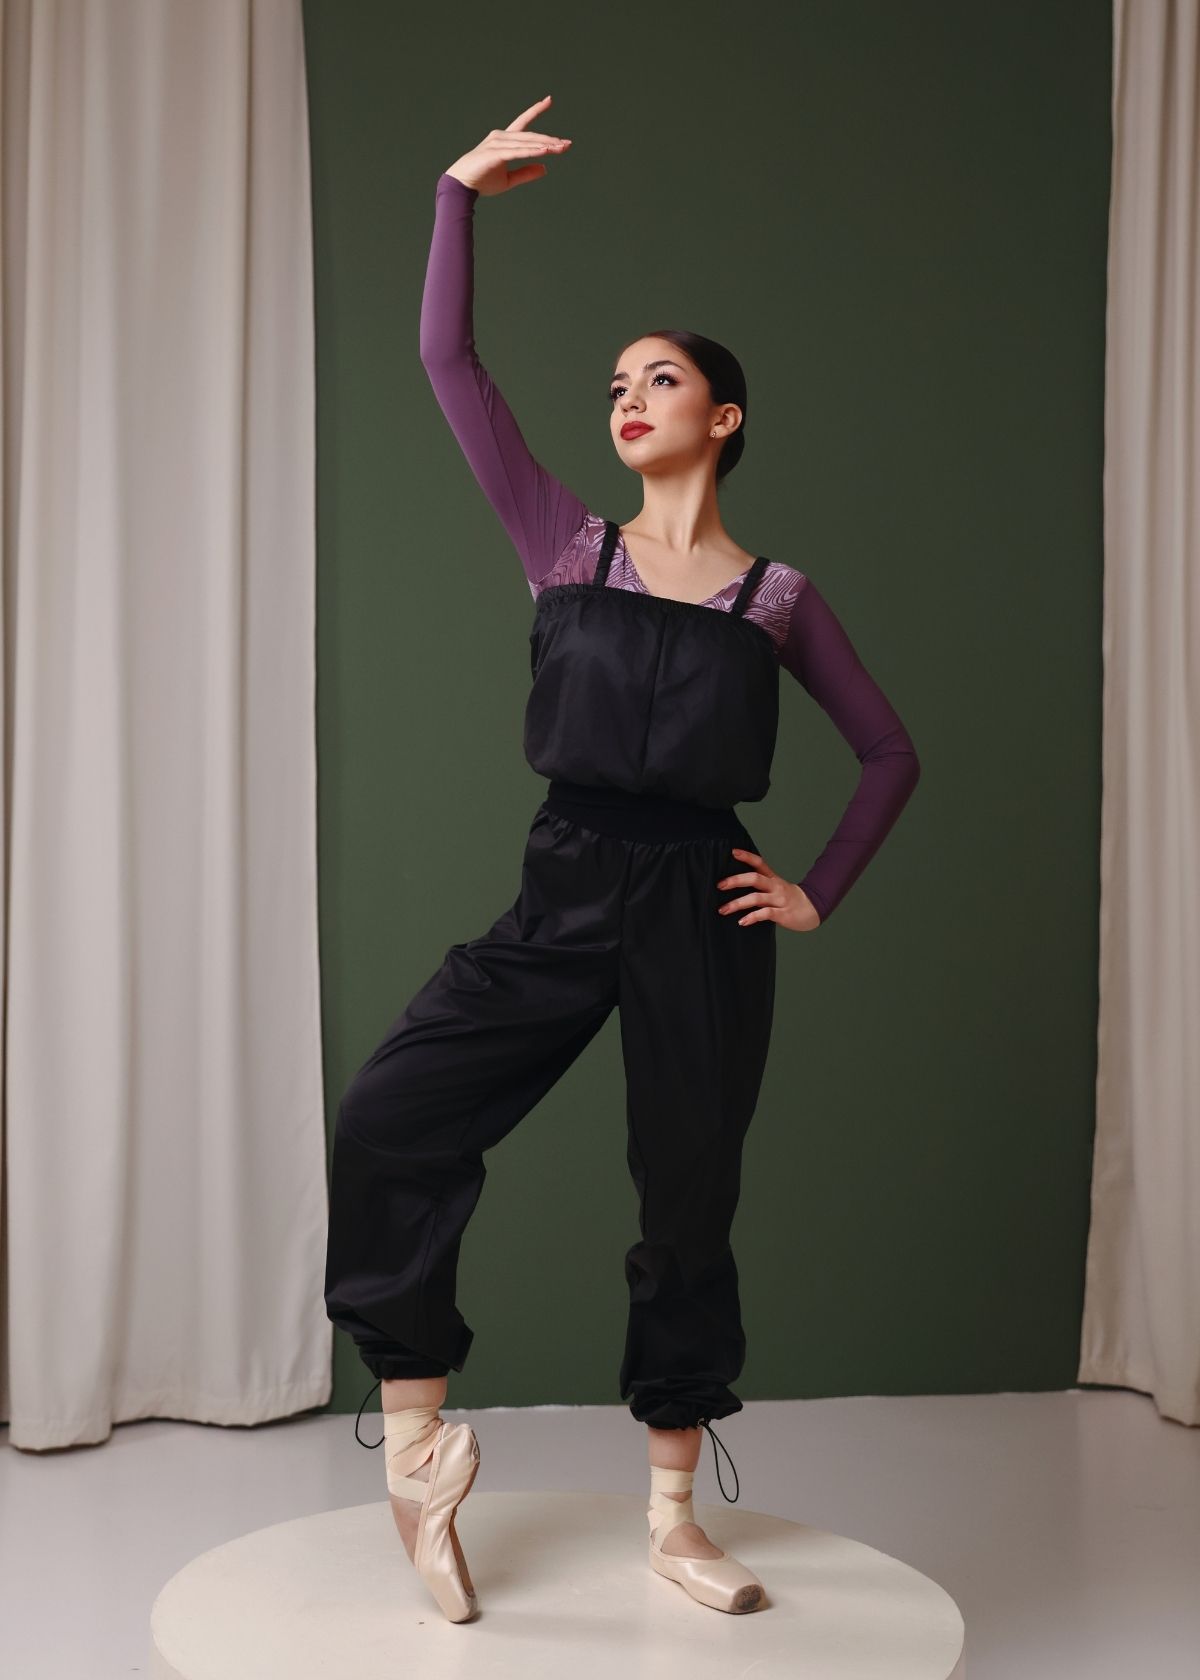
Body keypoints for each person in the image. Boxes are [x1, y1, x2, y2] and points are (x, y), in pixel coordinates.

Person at [324, 96, 921, 1623]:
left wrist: (814, 888)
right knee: (394, 1116)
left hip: (704, 903)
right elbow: (449, 367)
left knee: (687, 1206)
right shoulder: (566, 546)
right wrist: (456, 193)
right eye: (615, 383)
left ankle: (672, 1518)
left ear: (725, 417)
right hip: (569, 879)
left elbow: (889, 753)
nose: (629, 397)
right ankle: (417, 1459)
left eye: (662, 378)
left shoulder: (776, 599)